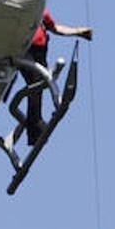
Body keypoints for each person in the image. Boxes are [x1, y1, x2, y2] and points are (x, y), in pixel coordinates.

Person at [21, 10, 92, 144]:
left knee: (38, 88)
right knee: (35, 84)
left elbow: (55, 28)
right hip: (25, 51)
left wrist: (77, 32)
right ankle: (35, 128)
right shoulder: (20, 11)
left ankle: (34, 126)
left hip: (40, 54)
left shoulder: (41, 11)